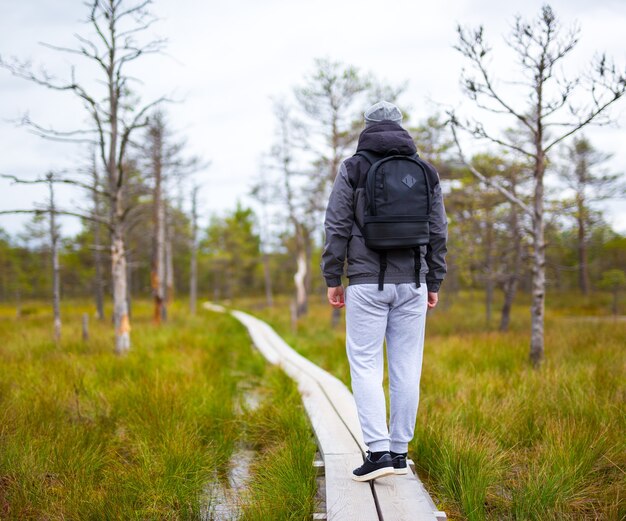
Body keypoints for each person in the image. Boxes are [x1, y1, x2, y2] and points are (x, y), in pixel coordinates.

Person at [320, 100, 448, 481]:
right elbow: (439, 230)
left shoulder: (353, 167)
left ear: (367, 126)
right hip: (413, 282)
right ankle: (399, 452)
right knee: (408, 366)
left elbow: (337, 224)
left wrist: (332, 277)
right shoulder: (425, 171)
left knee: (365, 364)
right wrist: (434, 279)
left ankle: (376, 453)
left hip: (365, 283)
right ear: (401, 127)